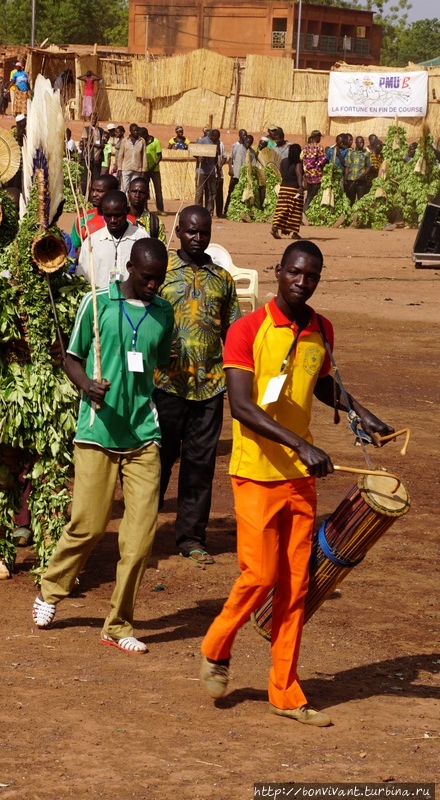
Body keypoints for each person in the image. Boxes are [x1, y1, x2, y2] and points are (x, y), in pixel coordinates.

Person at [200, 239, 393, 726]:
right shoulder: (246, 330)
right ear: (280, 271)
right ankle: (216, 644)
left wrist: (360, 412)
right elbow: (242, 406)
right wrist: (300, 444)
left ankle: (285, 690)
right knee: (259, 576)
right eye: (295, 274)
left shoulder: (321, 329)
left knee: (295, 586)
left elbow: (321, 381)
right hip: (255, 474)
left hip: (299, 480)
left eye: (312, 277)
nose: (302, 283)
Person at [31, 239, 175, 654]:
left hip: (143, 436)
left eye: (159, 279)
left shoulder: (163, 313)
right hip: (97, 433)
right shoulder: (96, 305)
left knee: (140, 537)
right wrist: (87, 385)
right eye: (147, 277)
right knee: (90, 525)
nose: (153, 285)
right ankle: (51, 588)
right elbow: (69, 357)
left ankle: (118, 624)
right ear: (129, 267)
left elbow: (157, 363)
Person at [154, 206, 240, 564]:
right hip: (166, 385)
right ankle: (141, 530)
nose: (198, 238)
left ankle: (191, 537)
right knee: (157, 461)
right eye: (191, 231)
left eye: (203, 232)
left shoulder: (223, 279)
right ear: (179, 233)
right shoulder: (161, 272)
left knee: (200, 464)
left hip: (210, 386)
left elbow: (233, 333)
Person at [76, 190, 149, 287]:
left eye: (118, 215)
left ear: (127, 211)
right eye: (108, 216)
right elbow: (83, 276)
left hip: (132, 301)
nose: (113, 220)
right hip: (101, 300)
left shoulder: (141, 238)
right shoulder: (92, 241)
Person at [70, 173, 120, 254]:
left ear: (113, 192)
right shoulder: (83, 219)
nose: (94, 194)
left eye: (100, 191)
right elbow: (72, 250)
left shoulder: (128, 221)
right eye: (93, 190)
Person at [271, 143, 304, 240]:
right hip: (295, 191)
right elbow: (299, 175)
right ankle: (294, 232)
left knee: (282, 209)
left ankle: (276, 227)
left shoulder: (283, 161)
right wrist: (300, 187)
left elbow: (281, 173)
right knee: (295, 211)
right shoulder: (298, 163)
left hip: (284, 189)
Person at [194, 129, 227, 217]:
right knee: (199, 192)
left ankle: (209, 211)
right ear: (211, 136)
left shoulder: (217, 143)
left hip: (211, 171)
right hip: (201, 171)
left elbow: (216, 156)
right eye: (215, 138)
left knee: (211, 192)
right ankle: (198, 211)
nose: (216, 140)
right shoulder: (202, 141)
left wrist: (218, 169)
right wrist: (198, 157)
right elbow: (193, 150)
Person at [127, 177, 167, 243]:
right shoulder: (119, 219)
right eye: (134, 191)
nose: (137, 195)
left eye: (141, 192)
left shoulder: (155, 224)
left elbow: (162, 250)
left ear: (148, 196)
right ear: (128, 193)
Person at [140, 127, 165, 215]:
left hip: (155, 170)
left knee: (158, 190)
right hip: (144, 170)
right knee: (144, 189)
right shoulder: (140, 142)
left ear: (146, 134)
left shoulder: (156, 142)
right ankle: (145, 209)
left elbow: (159, 156)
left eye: (142, 135)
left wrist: (153, 167)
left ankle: (160, 209)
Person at [117, 123, 148, 194]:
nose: (136, 132)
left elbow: (144, 156)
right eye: (134, 131)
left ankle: (131, 204)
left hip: (137, 168)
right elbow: (120, 155)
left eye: (137, 130)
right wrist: (119, 168)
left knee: (133, 188)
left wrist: (143, 170)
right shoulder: (125, 141)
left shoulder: (142, 141)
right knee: (124, 188)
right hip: (126, 168)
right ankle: (124, 203)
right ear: (130, 131)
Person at [224, 128, 249, 216]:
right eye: (243, 135)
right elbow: (230, 158)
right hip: (235, 173)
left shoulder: (247, 147)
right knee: (231, 191)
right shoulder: (235, 146)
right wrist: (230, 169)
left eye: (246, 135)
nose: (244, 136)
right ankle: (226, 210)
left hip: (244, 174)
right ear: (239, 135)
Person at [80, 112, 104, 195]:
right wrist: (96, 145)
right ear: (90, 119)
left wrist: (98, 154)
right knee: (86, 178)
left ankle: (92, 196)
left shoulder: (101, 131)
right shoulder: (86, 129)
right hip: (88, 157)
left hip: (97, 158)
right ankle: (83, 196)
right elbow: (85, 142)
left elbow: (103, 145)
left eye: (95, 119)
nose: (94, 120)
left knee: (95, 179)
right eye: (92, 119)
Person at [302, 130, 326, 211]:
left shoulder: (306, 147)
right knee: (314, 195)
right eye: (319, 137)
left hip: (308, 175)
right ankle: (306, 210)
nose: (320, 139)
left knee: (309, 193)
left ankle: (306, 209)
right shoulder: (319, 147)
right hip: (317, 175)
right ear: (316, 137)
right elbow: (322, 161)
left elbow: (303, 159)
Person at [344, 136, 372, 204]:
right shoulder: (350, 153)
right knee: (350, 201)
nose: (361, 144)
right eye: (360, 142)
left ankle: (359, 214)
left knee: (361, 201)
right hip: (351, 180)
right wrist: (345, 179)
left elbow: (368, 167)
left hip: (361, 181)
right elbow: (347, 166)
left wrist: (361, 176)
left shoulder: (366, 154)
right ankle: (350, 214)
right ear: (356, 143)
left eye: (362, 142)